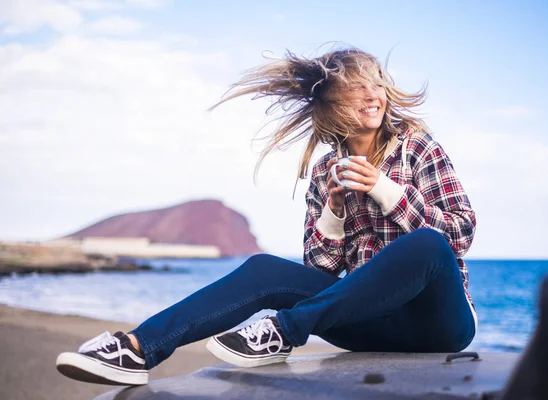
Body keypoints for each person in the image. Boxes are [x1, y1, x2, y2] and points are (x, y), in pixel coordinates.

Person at [56, 46, 477, 386]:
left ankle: (282, 331)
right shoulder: (324, 173)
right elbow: (320, 274)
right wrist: (334, 213)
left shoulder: (419, 149)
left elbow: (459, 234)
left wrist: (385, 191)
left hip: (437, 325)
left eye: (377, 84)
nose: (372, 95)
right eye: (357, 88)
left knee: (425, 243)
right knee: (263, 269)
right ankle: (137, 349)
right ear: (333, 106)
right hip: (366, 321)